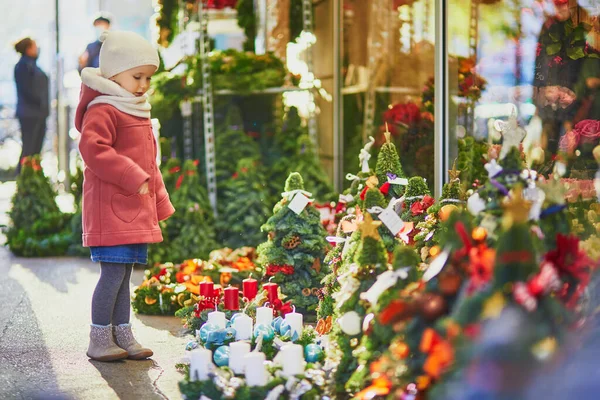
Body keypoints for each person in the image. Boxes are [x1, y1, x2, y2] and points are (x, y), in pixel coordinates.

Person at [75, 30, 175, 362]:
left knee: (125, 275)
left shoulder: (135, 108)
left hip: (133, 209)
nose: (144, 83)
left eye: (148, 77)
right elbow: (93, 149)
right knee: (113, 274)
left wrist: (159, 201)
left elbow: (149, 163)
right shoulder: (104, 108)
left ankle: (122, 333)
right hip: (110, 207)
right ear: (114, 73)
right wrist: (131, 175)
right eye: (137, 76)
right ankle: (99, 336)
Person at [13, 37, 49, 172]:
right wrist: (40, 100)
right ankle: (23, 179)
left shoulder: (33, 65)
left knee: (36, 150)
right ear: (28, 49)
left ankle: (33, 178)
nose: (37, 49)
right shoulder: (22, 66)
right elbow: (28, 90)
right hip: (29, 114)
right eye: (34, 46)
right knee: (29, 149)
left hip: (39, 113)